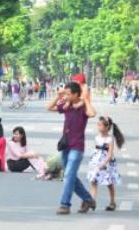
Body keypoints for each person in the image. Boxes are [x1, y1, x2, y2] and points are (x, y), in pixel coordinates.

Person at [48, 81, 97, 215]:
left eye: (68, 94)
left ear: (76, 94)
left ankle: (65, 205)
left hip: (77, 147)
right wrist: (58, 96)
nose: (66, 96)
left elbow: (92, 114)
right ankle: (88, 199)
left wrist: (86, 99)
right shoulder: (67, 106)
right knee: (71, 176)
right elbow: (49, 107)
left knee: (69, 175)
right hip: (66, 146)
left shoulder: (82, 108)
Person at [87, 116, 125, 211]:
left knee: (109, 183)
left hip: (106, 163)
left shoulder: (109, 139)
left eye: (100, 125)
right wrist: (93, 162)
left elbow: (110, 153)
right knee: (93, 181)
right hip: (96, 161)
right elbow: (96, 151)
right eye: (98, 124)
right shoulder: (96, 137)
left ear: (107, 127)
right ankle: (92, 201)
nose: (98, 126)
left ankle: (112, 203)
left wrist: (104, 163)